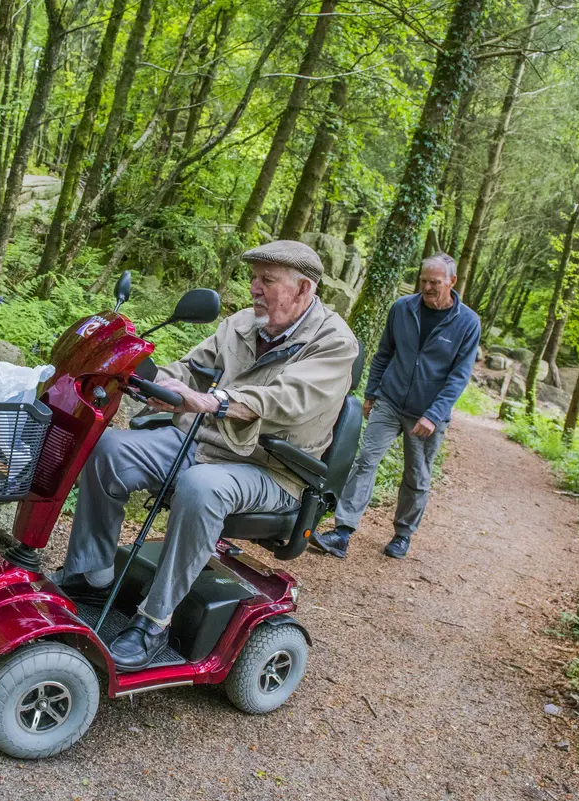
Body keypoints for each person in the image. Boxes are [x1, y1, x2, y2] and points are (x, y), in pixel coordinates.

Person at [55, 240, 359, 670]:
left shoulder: (334, 342)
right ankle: (92, 574)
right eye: (253, 277)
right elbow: (190, 370)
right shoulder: (241, 325)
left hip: (271, 467)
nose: (254, 288)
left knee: (201, 486)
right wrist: (142, 375)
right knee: (109, 448)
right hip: (207, 442)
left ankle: (154, 620)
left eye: (267, 280)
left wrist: (213, 401)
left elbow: (287, 399)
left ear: (304, 288)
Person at [311, 252, 480, 561]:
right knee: (365, 461)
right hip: (389, 400)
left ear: (452, 282)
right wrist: (372, 393)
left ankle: (403, 534)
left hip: (429, 413)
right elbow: (384, 353)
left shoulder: (467, 322)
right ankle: (342, 532)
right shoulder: (402, 309)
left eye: (435, 282)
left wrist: (433, 414)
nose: (427, 288)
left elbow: (459, 376)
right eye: (424, 281)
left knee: (416, 477)